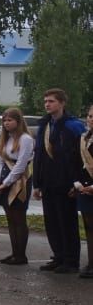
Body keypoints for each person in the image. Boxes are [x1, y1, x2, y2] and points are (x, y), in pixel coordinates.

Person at [33, 88, 86, 273]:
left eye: (52, 101)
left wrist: (77, 182)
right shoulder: (44, 126)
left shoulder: (74, 126)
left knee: (67, 222)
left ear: (62, 103)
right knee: (52, 221)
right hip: (48, 181)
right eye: (46, 101)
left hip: (66, 182)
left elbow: (80, 157)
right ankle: (58, 255)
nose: (47, 104)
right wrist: (37, 183)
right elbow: (38, 154)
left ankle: (71, 260)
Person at [0, 107, 34, 265]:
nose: (6, 123)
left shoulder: (25, 139)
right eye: (4, 120)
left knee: (19, 217)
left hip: (20, 181)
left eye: (9, 120)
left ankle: (21, 255)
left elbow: (21, 165)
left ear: (18, 121)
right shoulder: (6, 138)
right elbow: (0, 159)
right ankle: (14, 252)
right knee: (10, 218)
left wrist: (7, 182)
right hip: (4, 180)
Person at [75, 104, 93, 278]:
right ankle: (90, 263)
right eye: (89, 116)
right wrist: (77, 183)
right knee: (88, 227)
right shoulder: (84, 138)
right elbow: (78, 164)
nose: (90, 119)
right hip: (84, 188)